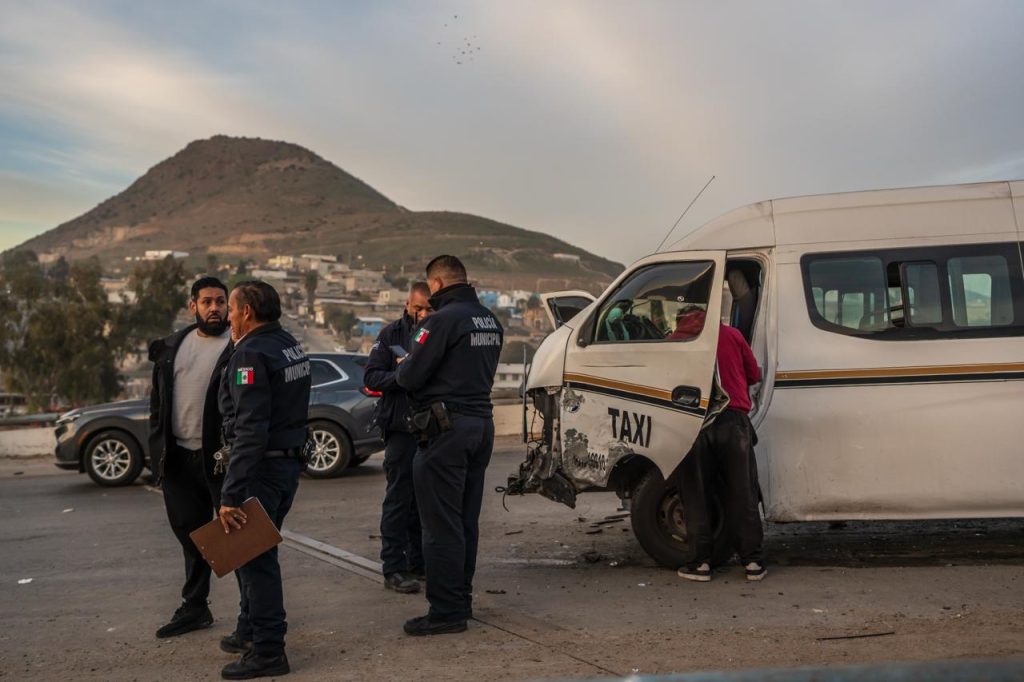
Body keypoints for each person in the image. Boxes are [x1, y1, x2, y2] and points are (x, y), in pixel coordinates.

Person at [394, 255, 503, 636]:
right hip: (481, 425)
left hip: (446, 430)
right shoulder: (490, 319)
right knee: (464, 521)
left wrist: (405, 364)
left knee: (439, 525)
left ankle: (445, 611)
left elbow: (409, 375)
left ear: (436, 284)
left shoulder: (440, 321)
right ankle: (462, 599)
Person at [217, 281, 311, 680]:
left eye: (233, 310)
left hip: (262, 471)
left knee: (257, 561)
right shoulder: (288, 343)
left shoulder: (251, 353)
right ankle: (250, 629)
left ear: (248, 312)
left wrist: (232, 494)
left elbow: (251, 428)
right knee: (250, 555)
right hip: (285, 465)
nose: (229, 318)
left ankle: (269, 651)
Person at [150, 276, 234, 639]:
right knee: (192, 534)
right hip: (180, 459)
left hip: (223, 460)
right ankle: (195, 607)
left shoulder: (240, 344)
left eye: (220, 301)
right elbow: (158, 404)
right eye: (207, 302)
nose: (214, 308)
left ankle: (255, 614)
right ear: (193, 306)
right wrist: (157, 453)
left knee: (242, 537)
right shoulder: (174, 346)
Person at [676, 319, 766, 583]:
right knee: (742, 492)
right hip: (733, 421)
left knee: (696, 493)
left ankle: (701, 563)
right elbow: (753, 375)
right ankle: (752, 562)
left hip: (693, 424)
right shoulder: (733, 335)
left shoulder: (675, 341)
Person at [364, 282, 432, 594]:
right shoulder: (391, 335)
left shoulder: (440, 334)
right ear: (407, 304)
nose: (422, 314)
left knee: (424, 503)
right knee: (398, 501)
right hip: (400, 429)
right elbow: (372, 376)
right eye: (417, 308)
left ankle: (419, 563)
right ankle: (394, 566)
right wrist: (403, 375)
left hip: (430, 431)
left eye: (428, 309)